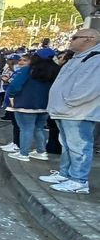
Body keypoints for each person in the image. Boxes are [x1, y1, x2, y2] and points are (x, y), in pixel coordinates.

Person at [40, 28, 100, 194]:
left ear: (89, 39)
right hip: (66, 111)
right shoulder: (78, 57)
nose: (71, 40)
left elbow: (90, 88)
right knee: (67, 145)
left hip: (78, 112)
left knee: (79, 146)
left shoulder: (95, 59)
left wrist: (68, 102)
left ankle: (79, 181)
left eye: (75, 37)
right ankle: (65, 174)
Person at [6, 51, 59, 163]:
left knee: (26, 129)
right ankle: (41, 151)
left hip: (25, 104)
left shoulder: (28, 70)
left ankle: (23, 153)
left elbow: (15, 85)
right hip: (45, 105)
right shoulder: (55, 71)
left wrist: (11, 96)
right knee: (39, 128)